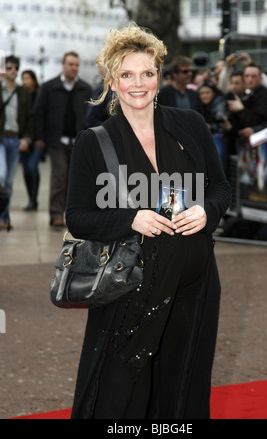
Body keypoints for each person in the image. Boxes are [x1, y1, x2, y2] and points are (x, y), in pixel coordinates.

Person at [66, 25, 231, 419]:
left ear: (159, 76)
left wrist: (207, 210)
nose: (138, 84)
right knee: (121, 396)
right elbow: (77, 217)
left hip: (194, 288)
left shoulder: (189, 124)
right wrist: (131, 218)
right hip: (130, 291)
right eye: (126, 74)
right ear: (110, 81)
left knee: (183, 390)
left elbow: (222, 187)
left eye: (147, 73)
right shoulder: (95, 141)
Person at [34, 51, 92, 228]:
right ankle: (56, 214)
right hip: (56, 140)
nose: (74, 68)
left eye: (76, 65)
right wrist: (39, 137)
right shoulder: (49, 87)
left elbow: (89, 115)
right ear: (63, 65)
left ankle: (71, 215)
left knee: (73, 178)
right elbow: (39, 112)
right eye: (71, 64)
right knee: (60, 175)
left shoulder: (85, 88)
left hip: (77, 140)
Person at [0, 56, 33, 231]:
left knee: (9, 182)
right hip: (1, 138)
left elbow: (29, 118)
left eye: (16, 68)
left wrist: (26, 139)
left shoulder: (23, 92)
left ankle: (4, 218)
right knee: (1, 175)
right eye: (10, 67)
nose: (14, 70)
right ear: (4, 69)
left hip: (15, 139)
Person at [21, 70, 44, 211]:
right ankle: (31, 199)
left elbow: (41, 117)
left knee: (32, 167)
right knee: (25, 170)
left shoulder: (39, 95)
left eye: (27, 78)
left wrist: (41, 137)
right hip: (24, 139)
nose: (25, 81)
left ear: (33, 80)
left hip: (37, 139)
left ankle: (34, 199)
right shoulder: (21, 95)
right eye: (23, 78)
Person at [198, 81, 231, 171]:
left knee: (218, 155)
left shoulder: (219, 101)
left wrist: (210, 126)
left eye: (207, 93)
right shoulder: (199, 105)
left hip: (218, 134)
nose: (204, 96)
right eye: (202, 93)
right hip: (205, 136)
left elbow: (220, 118)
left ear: (213, 93)